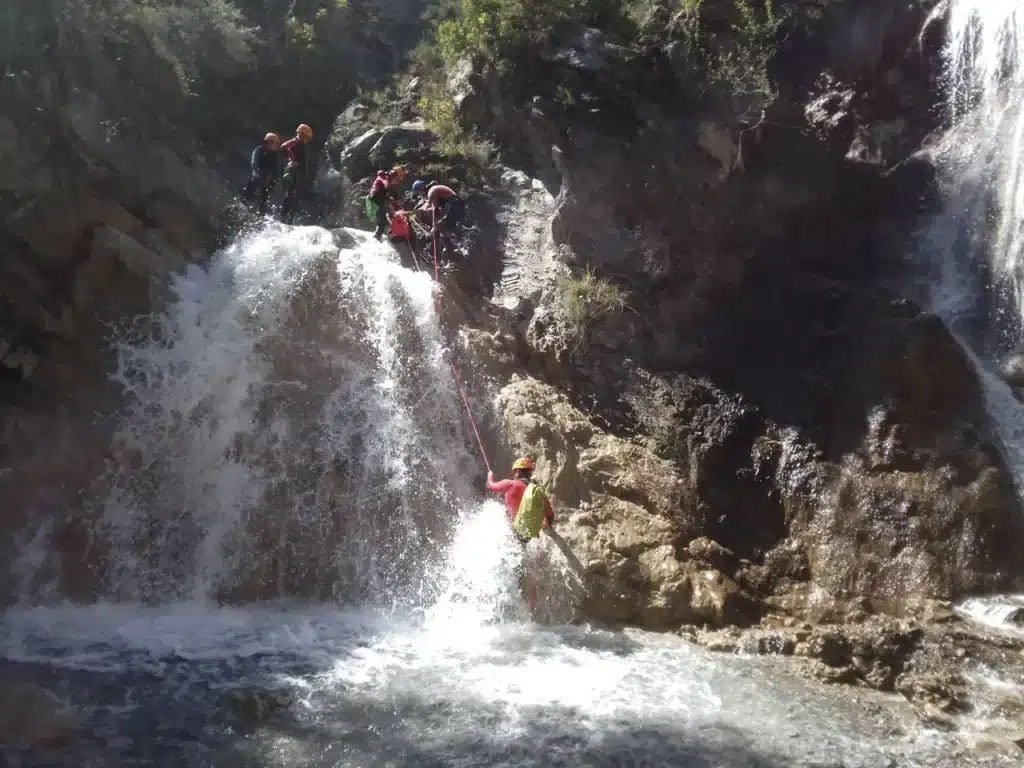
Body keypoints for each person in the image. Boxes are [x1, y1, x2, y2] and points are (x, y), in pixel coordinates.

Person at [486, 457, 554, 610]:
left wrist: (490, 475)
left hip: (511, 533)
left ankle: (502, 607)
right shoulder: (537, 490)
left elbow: (490, 486)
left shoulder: (511, 484)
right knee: (531, 576)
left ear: (516, 472)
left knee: (508, 570)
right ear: (530, 472)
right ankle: (530, 610)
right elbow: (549, 517)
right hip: (530, 537)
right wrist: (542, 526)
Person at [280, 123, 314, 222]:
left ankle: (289, 218)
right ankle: (284, 217)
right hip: (293, 171)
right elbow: (284, 146)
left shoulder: (301, 143)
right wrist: (293, 159)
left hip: (298, 172)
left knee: (295, 195)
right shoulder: (296, 141)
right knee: (290, 194)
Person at [243, 133, 281, 215]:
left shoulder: (273, 155)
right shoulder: (259, 150)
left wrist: (273, 180)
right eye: (275, 143)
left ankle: (261, 215)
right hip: (256, 179)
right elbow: (254, 162)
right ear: (269, 142)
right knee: (251, 198)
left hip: (266, 182)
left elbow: (274, 168)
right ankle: (247, 210)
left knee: (263, 201)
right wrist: (257, 173)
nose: (276, 146)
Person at [366, 166, 407, 240]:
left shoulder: (385, 177)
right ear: (394, 175)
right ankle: (376, 239)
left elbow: (387, 192)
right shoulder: (385, 177)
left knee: (387, 216)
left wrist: (394, 200)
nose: (397, 181)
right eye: (397, 179)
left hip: (376, 199)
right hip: (375, 199)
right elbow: (387, 187)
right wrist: (394, 200)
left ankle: (382, 235)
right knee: (382, 222)